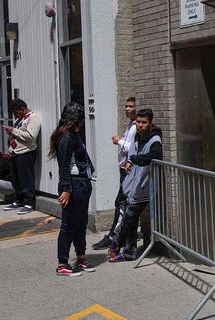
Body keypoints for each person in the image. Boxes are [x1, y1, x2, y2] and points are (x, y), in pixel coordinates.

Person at [108, 108, 162, 262]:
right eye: (138, 122)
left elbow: (155, 156)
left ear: (150, 123)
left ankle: (116, 245)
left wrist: (134, 159)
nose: (140, 125)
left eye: (144, 122)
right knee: (130, 219)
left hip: (144, 187)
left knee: (129, 218)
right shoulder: (138, 136)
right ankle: (129, 252)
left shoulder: (154, 138)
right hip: (133, 185)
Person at [49, 102, 95, 276]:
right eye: (80, 118)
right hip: (73, 185)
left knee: (80, 223)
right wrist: (67, 189)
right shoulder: (66, 137)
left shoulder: (73, 134)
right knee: (69, 225)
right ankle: (62, 264)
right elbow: (64, 166)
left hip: (81, 183)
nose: (82, 122)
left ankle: (81, 258)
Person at [91, 97, 138, 250]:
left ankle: (114, 236)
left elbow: (134, 148)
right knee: (123, 203)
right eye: (126, 106)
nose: (127, 109)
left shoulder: (138, 126)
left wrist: (119, 141)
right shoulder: (131, 125)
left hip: (129, 170)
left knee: (121, 203)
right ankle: (121, 236)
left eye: (130, 106)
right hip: (124, 169)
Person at [3, 98, 41, 215]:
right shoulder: (21, 119)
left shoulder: (32, 118)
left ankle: (29, 203)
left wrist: (13, 131)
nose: (14, 115)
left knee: (26, 179)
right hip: (16, 152)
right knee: (16, 179)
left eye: (15, 112)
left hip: (26, 152)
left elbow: (31, 136)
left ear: (22, 109)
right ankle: (18, 200)